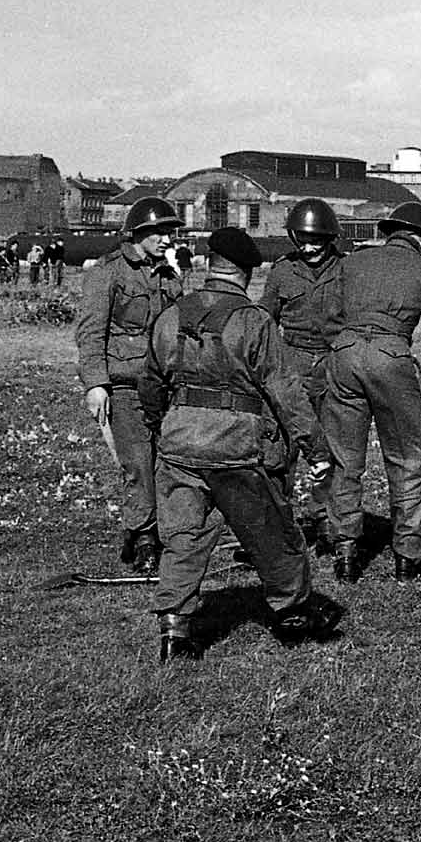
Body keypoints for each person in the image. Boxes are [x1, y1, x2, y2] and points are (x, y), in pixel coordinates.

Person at [137, 226, 343, 663]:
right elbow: (286, 392)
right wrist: (316, 450)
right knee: (272, 532)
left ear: (211, 267)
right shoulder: (254, 321)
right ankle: (292, 615)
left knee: (184, 538)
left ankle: (175, 628)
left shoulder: (171, 316)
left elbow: (150, 386)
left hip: (178, 443)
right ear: (245, 272)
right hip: (234, 447)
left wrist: (164, 426)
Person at [324, 202, 421, 581]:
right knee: (406, 458)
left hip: (343, 357)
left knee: (346, 460)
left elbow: (326, 315)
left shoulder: (351, 262)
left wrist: (342, 349)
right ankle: (408, 557)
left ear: (389, 231)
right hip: (393, 360)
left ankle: (345, 552)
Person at [77, 197, 186, 574]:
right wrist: (95, 384)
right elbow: (91, 333)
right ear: (138, 233)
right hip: (125, 386)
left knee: (168, 461)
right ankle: (143, 538)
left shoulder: (169, 275)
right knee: (138, 464)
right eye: (159, 232)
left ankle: (169, 533)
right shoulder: (108, 273)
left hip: (166, 385)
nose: (166, 238)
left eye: (169, 232)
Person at [260, 198, 349, 576]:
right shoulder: (282, 272)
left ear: (330, 238)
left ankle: (325, 520)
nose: (309, 247)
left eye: (317, 240)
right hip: (290, 365)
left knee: (329, 446)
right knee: (280, 450)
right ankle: (278, 529)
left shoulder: (347, 270)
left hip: (331, 364)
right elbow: (265, 319)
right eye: (303, 240)